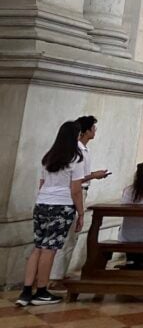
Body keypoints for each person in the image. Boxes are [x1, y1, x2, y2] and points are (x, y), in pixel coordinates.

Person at [16, 121, 86, 307]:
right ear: (76, 137)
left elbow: (41, 184)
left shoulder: (48, 157)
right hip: (61, 205)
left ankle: (25, 291)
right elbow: (76, 190)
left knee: (38, 247)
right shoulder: (75, 158)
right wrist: (81, 212)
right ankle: (41, 291)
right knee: (50, 249)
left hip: (42, 204)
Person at [51, 115, 110, 283]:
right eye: (93, 128)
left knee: (71, 236)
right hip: (75, 193)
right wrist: (94, 176)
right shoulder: (76, 151)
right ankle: (55, 277)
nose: (95, 131)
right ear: (85, 131)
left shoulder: (82, 149)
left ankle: (59, 273)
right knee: (69, 236)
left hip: (75, 192)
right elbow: (76, 180)